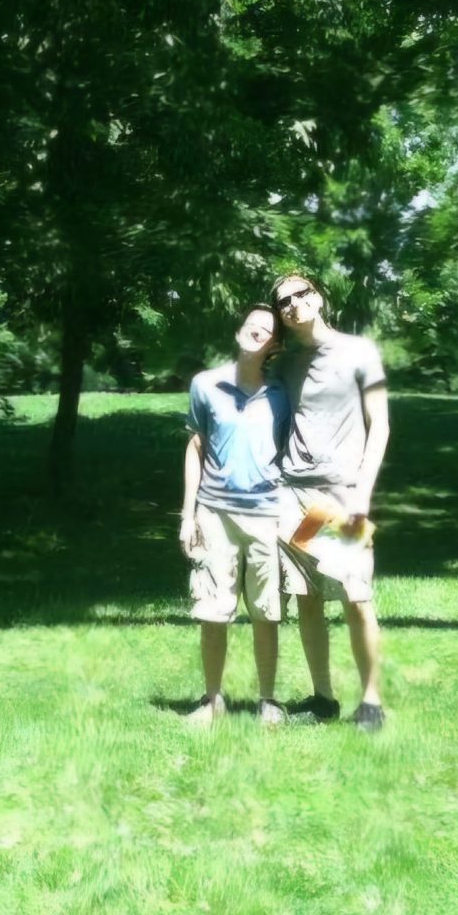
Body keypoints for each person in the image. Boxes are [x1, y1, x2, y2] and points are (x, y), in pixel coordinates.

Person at [269, 272, 391, 730]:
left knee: (356, 596)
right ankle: (323, 698)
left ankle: (372, 700)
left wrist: (363, 491)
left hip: (342, 498)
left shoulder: (360, 352)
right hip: (294, 495)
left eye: (301, 295)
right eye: (284, 302)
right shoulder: (284, 364)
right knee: (307, 598)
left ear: (318, 297)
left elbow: (379, 426)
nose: (294, 305)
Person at [178, 303, 291, 725]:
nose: (256, 332)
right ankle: (212, 701)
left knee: (266, 611)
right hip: (214, 515)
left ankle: (268, 701)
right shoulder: (205, 386)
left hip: (265, 516)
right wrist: (187, 516)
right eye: (251, 325)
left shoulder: (280, 396)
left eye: (265, 330)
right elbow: (195, 448)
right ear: (239, 331)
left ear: (274, 345)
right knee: (212, 610)